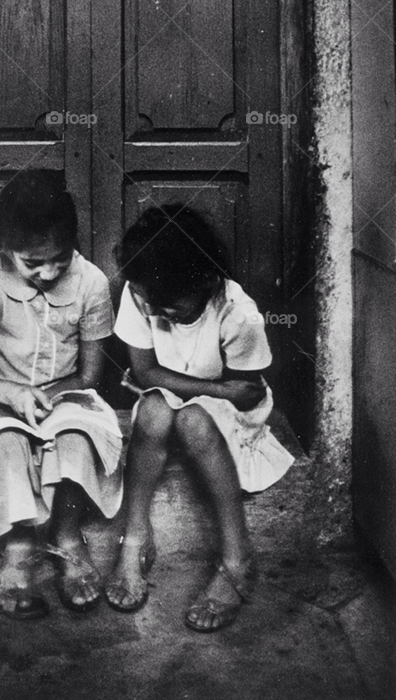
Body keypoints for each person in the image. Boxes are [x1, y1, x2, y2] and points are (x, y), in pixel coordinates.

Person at [0, 170, 123, 620]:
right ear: (5, 249)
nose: (49, 271)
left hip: (64, 397)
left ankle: (69, 536)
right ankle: (18, 550)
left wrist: (52, 397)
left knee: (76, 438)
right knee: (7, 444)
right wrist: (11, 393)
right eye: (32, 262)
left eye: (58, 258)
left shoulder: (91, 282)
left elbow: (92, 374)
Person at [105, 204, 294, 630]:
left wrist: (216, 394)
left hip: (229, 414)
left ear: (207, 281)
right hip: (180, 392)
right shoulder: (143, 293)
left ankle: (236, 555)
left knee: (191, 419)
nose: (160, 313)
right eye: (151, 303)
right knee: (152, 411)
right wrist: (214, 388)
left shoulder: (237, 313)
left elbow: (245, 394)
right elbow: (145, 372)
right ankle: (134, 536)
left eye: (172, 305)